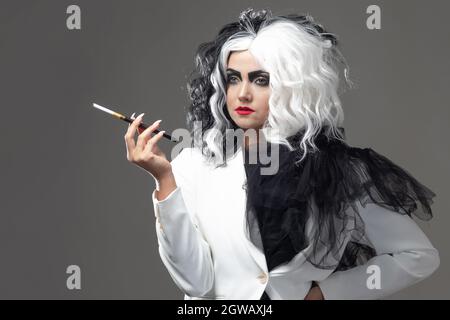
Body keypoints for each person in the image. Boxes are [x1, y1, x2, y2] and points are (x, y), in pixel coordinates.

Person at [124, 8, 440, 300]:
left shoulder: (341, 171)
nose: (242, 93)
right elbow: (195, 283)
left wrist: (327, 293)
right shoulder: (193, 166)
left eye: (260, 80)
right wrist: (164, 180)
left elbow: (417, 256)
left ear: (292, 87)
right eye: (233, 79)